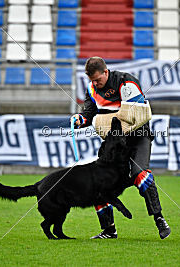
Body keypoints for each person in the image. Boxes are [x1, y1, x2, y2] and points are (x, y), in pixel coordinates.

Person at [71, 57, 171, 240]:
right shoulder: (92, 89)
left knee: (140, 174)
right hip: (114, 144)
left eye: (98, 79)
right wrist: (80, 120)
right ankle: (109, 230)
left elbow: (138, 114)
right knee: (97, 184)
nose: (95, 83)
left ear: (106, 72)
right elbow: (89, 113)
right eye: (92, 80)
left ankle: (159, 219)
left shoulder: (126, 82)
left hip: (138, 137)